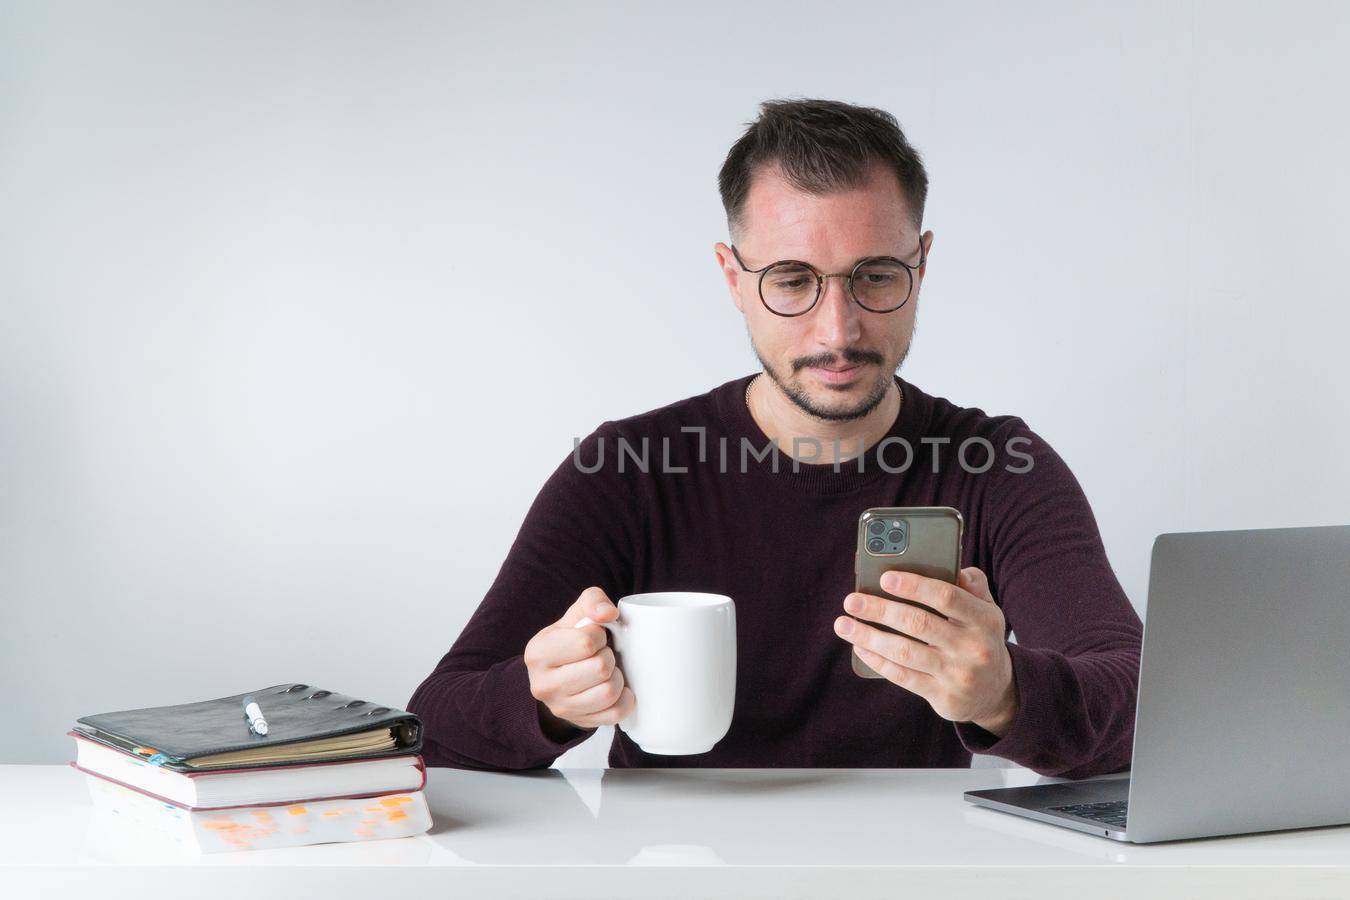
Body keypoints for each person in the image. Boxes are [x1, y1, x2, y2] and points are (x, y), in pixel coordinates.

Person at [408, 98, 1142, 777]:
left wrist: (1004, 694)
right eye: (792, 281)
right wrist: (542, 698)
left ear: (921, 265)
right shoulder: (624, 470)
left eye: (876, 277)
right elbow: (435, 720)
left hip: (916, 871)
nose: (839, 330)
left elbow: (1143, 702)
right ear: (732, 277)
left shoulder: (999, 468)